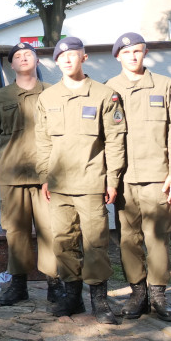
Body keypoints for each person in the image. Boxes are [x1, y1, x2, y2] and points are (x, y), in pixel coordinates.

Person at [36, 36, 127, 324]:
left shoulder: (104, 95)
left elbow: (115, 140)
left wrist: (112, 180)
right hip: (59, 185)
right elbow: (43, 142)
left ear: (83, 58)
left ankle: (99, 300)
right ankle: (71, 297)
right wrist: (44, 177)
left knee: (96, 243)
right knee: (63, 241)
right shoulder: (47, 98)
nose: (66, 59)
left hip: (91, 183)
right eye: (61, 56)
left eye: (72, 55)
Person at [106, 34, 171, 322]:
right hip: (124, 178)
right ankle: (138, 293)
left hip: (156, 175)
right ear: (118, 56)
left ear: (145, 52)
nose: (133, 56)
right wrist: (109, 179)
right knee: (128, 239)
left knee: (158, 238)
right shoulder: (109, 89)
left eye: (138, 51)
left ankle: (159, 295)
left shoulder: (164, 85)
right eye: (126, 52)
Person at [0, 42, 62, 307]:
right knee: (16, 232)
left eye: (29, 54)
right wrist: (12, 153)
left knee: (50, 230)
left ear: (37, 61)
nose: (23, 58)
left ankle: (54, 283)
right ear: (12, 65)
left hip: (47, 177)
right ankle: (18, 285)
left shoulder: (53, 94)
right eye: (18, 56)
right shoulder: (0, 98)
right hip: (13, 176)